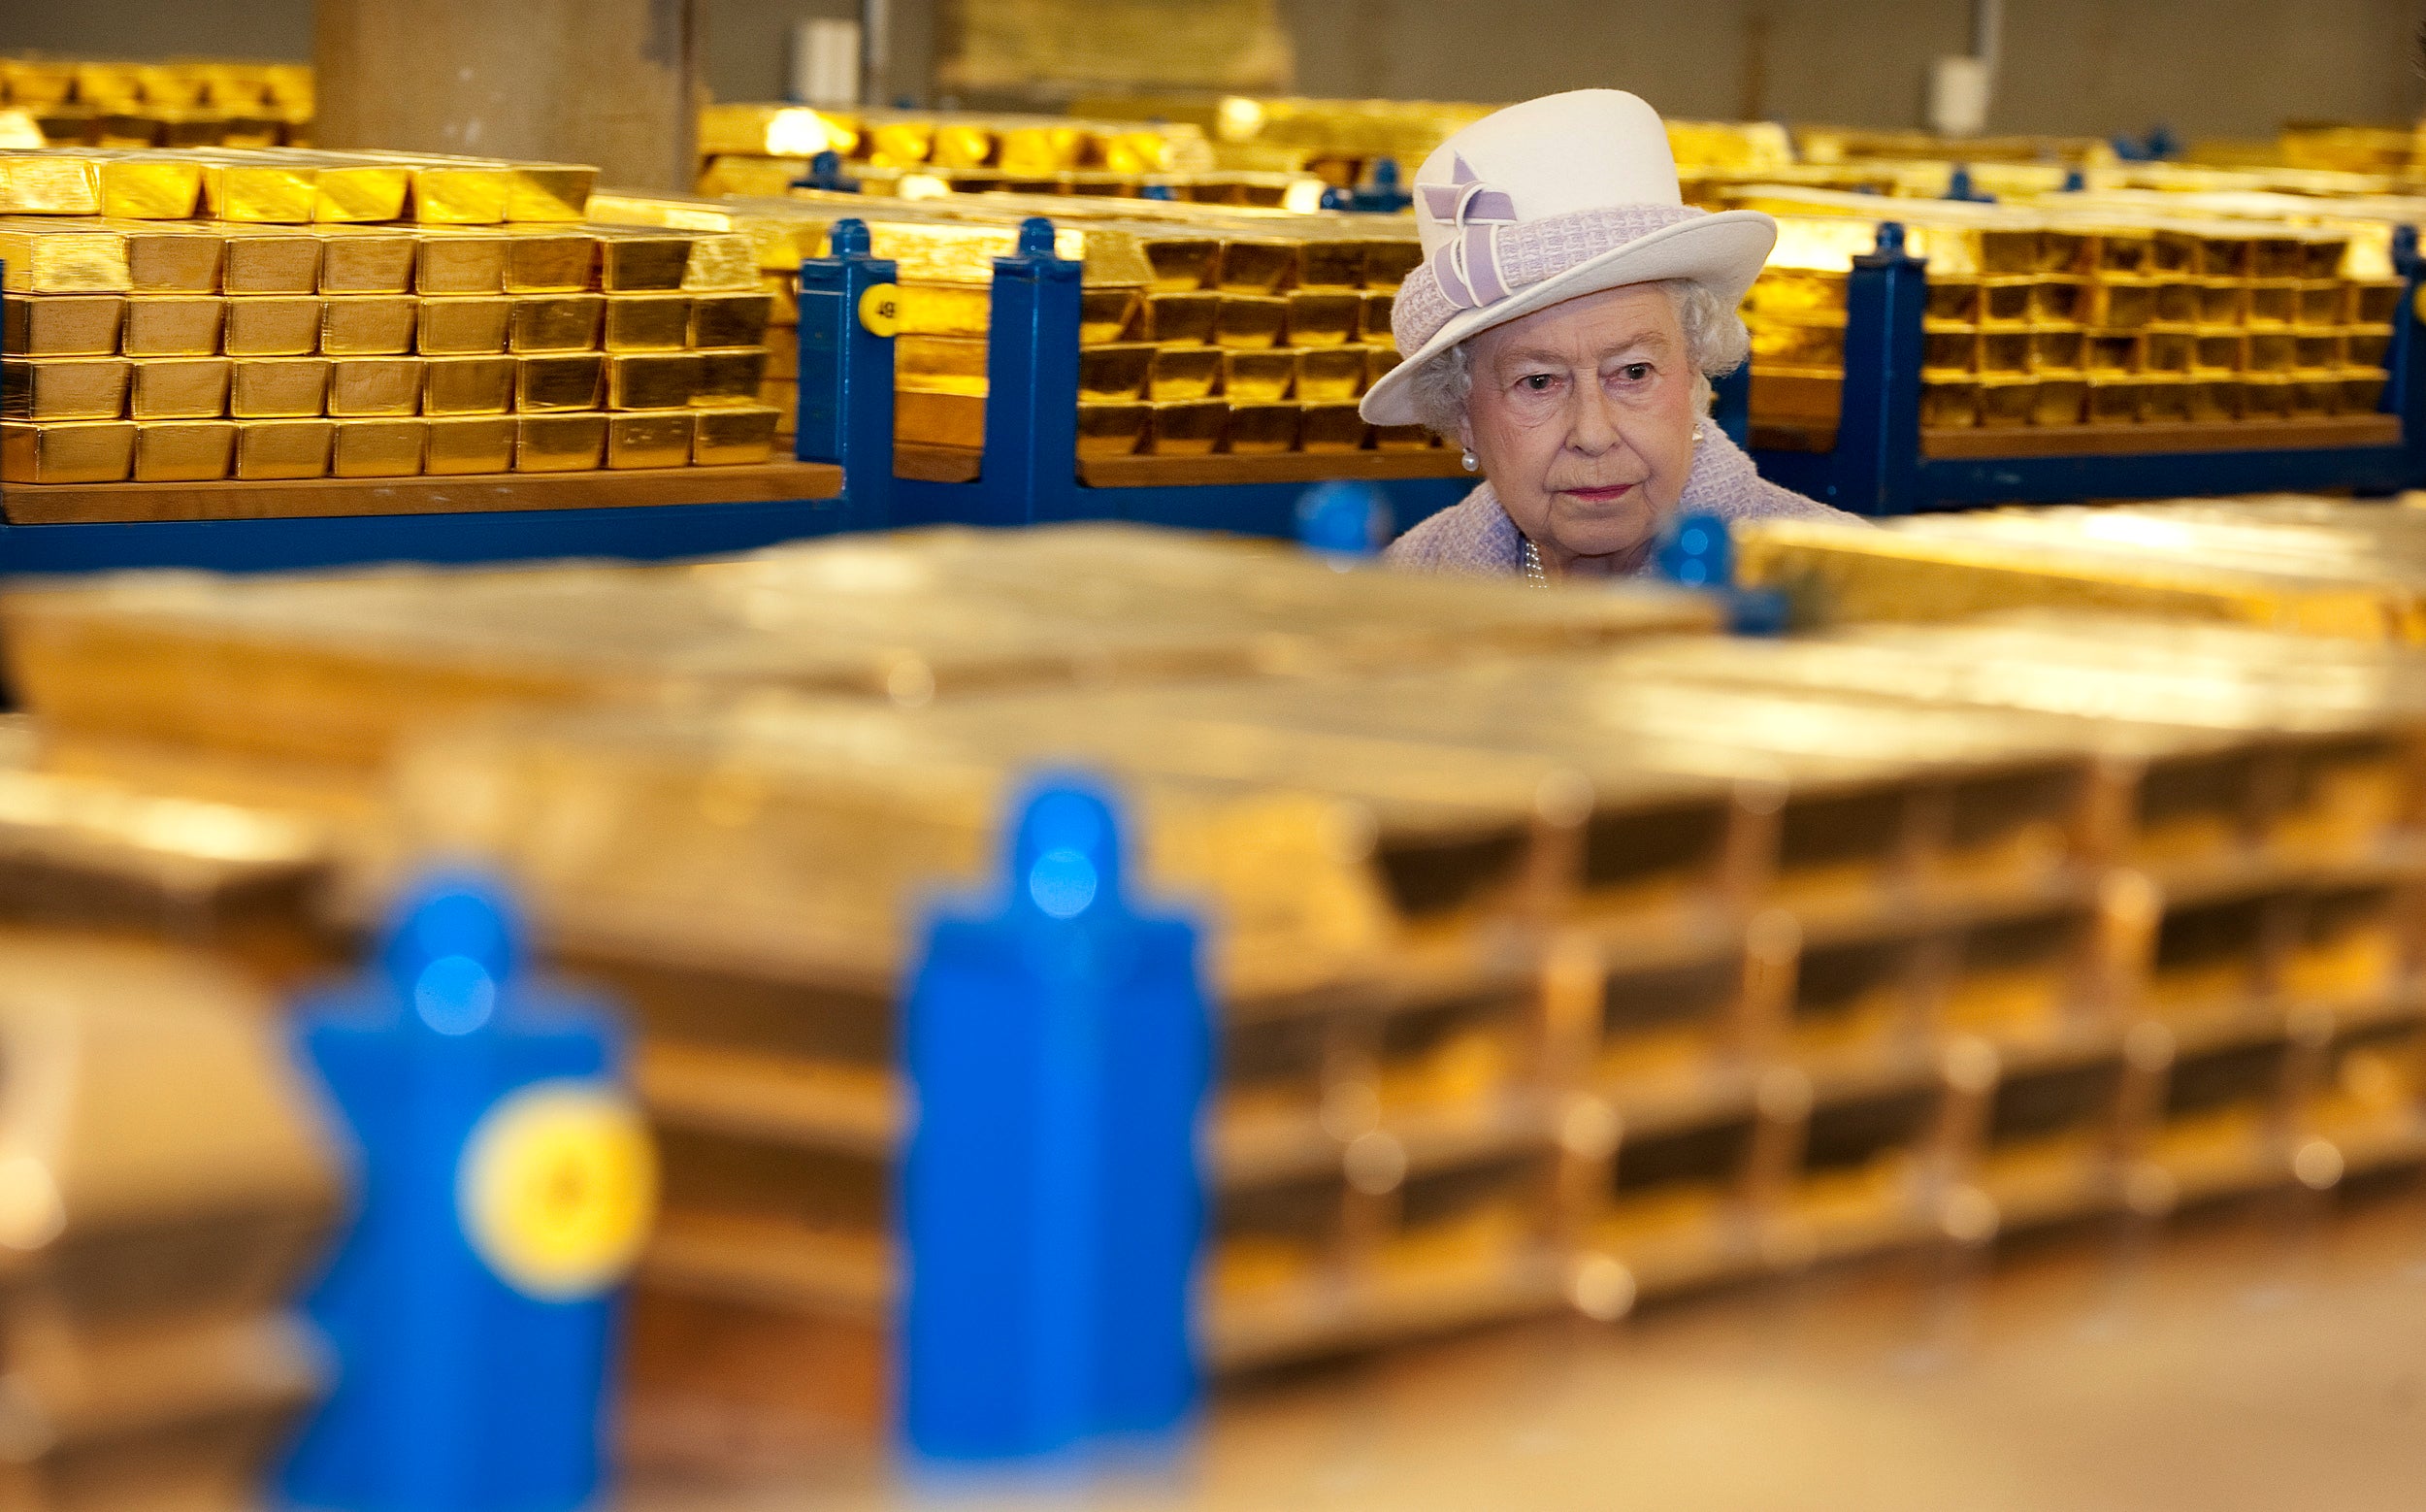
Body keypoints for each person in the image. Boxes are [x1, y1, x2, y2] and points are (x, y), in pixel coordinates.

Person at [1363, 89, 1859, 580]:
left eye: (1633, 372)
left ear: (1693, 378)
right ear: (1463, 416)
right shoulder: (1403, 590)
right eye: (1538, 382)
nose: (1594, 436)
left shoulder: (1836, 586)